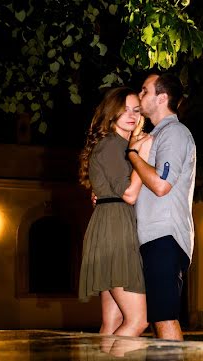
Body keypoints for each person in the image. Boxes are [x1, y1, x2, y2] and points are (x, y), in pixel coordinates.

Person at [127, 70, 197, 341]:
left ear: (162, 98)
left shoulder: (175, 133)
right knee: (158, 319)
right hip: (154, 238)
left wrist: (133, 156)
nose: (140, 94)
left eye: (145, 91)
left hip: (165, 237)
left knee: (165, 317)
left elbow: (160, 185)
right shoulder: (157, 136)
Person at [78, 86, 151, 337]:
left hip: (110, 226)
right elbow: (129, 194)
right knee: (137, 321)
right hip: (115, 230)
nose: (131, 115)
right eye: (125, 110)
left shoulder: (117, 144)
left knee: (113, 322)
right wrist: (141, 156)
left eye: (137, 110)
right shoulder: (113, 145)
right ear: (112, 113)